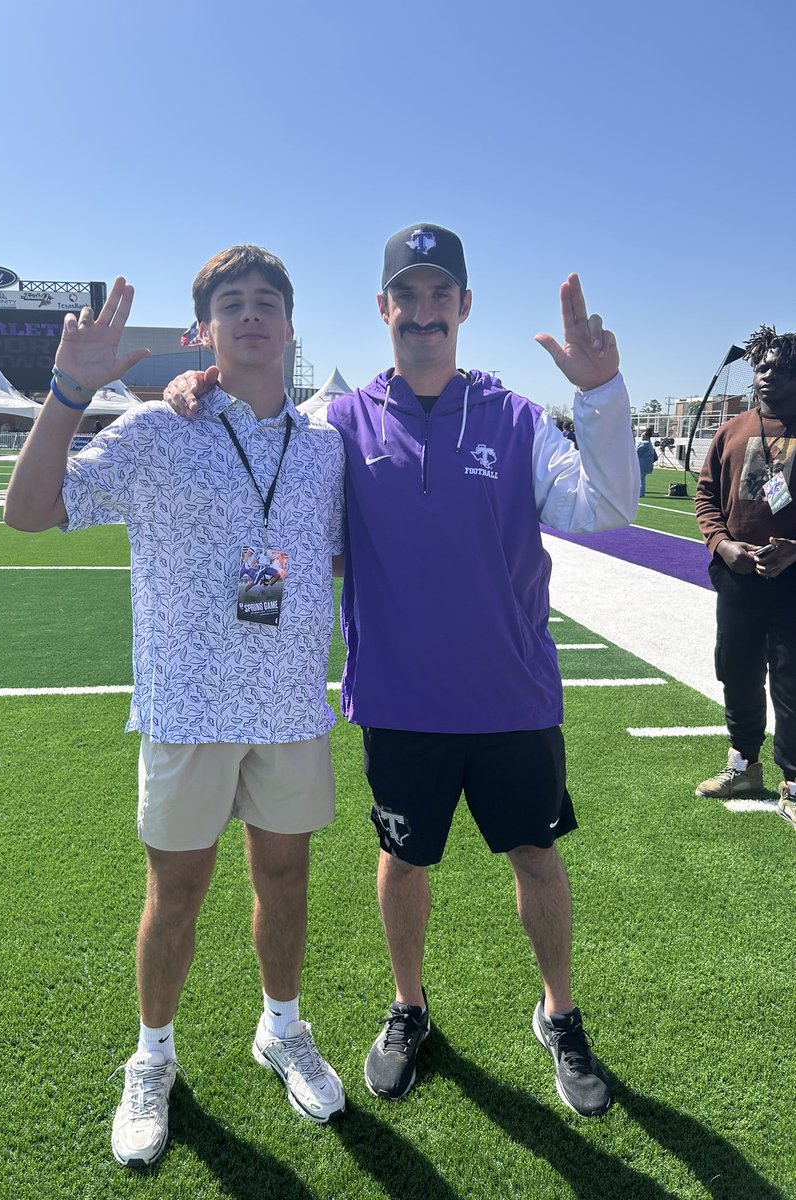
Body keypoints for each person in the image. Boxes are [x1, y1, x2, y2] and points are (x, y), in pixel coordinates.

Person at [165, 223, 639, 1118]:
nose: (424, 314)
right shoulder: (337, 423)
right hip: (401, 703)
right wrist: (205, 382)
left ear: (464, 306)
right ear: (383, 307)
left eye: (440, 295)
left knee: (536, 857)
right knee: (402, 860)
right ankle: (409, 1008)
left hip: (512, 699)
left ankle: (559, 1013)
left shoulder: (516, 416)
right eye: (407, 296)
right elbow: (261, 439)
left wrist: (604, 392)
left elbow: (605, 506)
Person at [4, 246, 347, 1168]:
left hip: (287, 708)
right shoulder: (159, 430)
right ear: (204, 329)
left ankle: (282, 1027)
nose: (249, 315)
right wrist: (68, 393)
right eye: (229, 303)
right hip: (187, 708)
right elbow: (29, 512)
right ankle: (151, 1055)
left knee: (285, 880)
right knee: (178, 892)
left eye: (266, 301)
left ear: (288, 321)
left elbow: (346, 556)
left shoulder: (326, 447)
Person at [693, 324, 796, 824]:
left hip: (793, 582)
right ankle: (743, 764)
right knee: (737, 671)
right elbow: (706, 496)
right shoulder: (732, 429)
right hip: (738, 577)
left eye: (777, 366)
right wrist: (723, 544)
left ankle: (794, 783)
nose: (765, 373)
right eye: (761, 365)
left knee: (792, 683)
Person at [636, 425, 658, 497]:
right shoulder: (649, 444)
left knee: (640, 479)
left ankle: (640, 493)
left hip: (642, 464)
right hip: (647, 464)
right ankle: (640, 492)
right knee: (641, 478)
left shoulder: (644, 443)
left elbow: (636, 453)